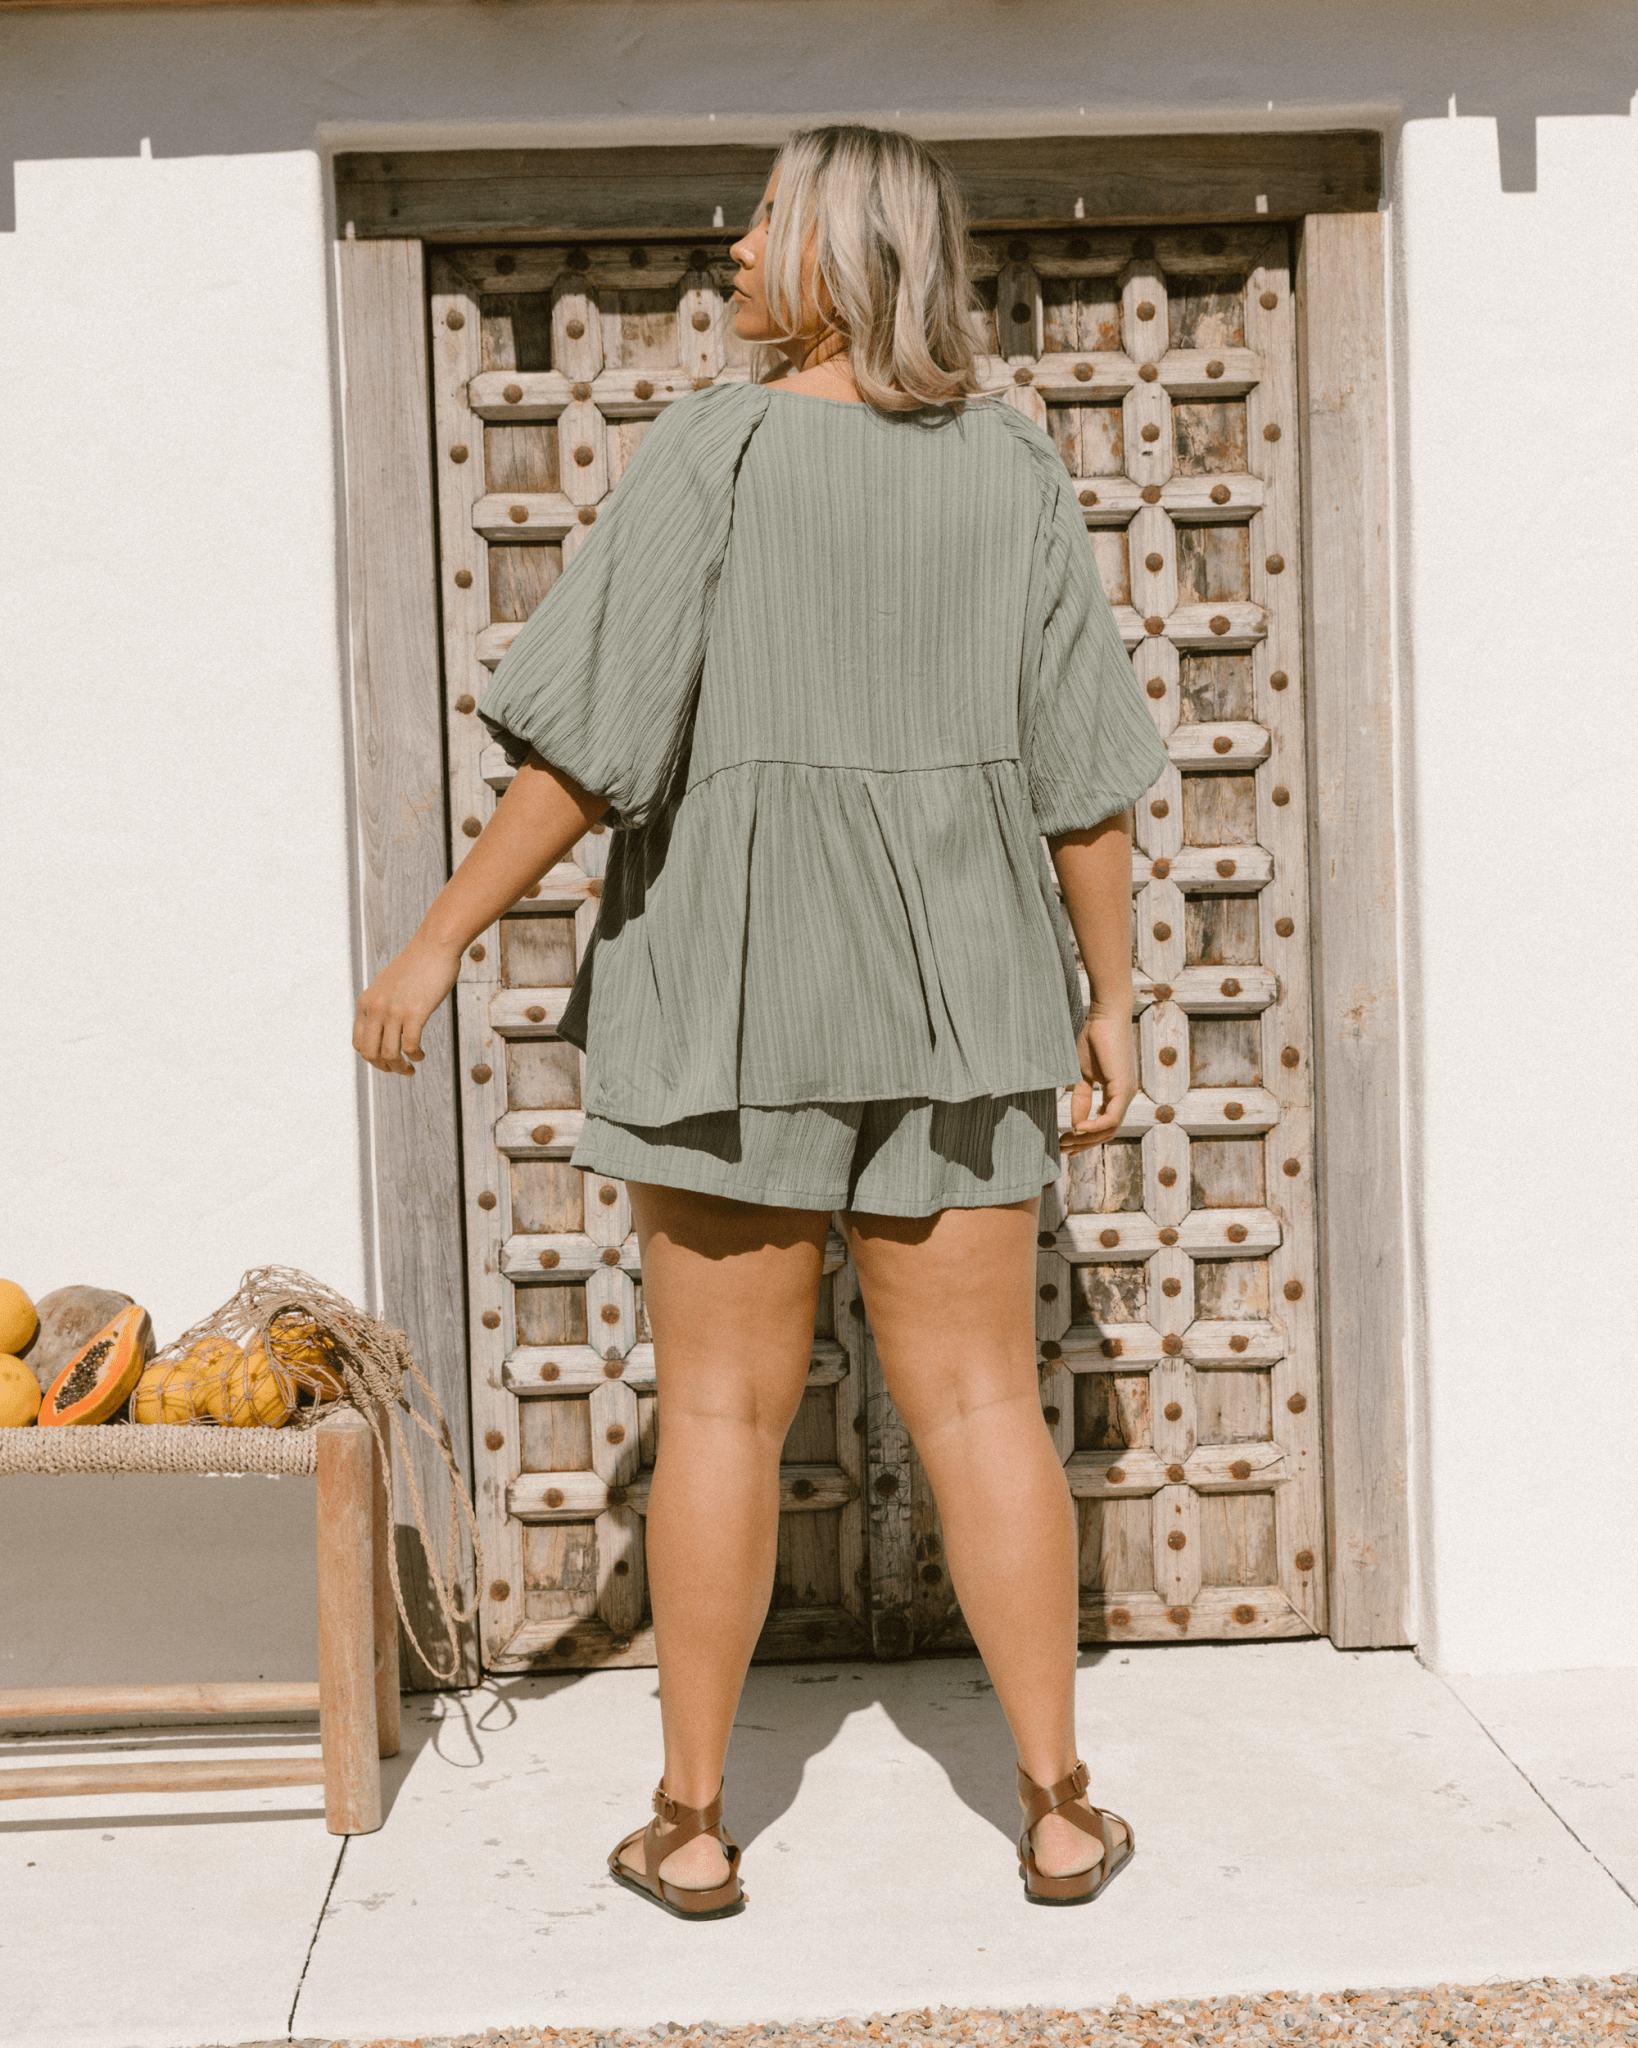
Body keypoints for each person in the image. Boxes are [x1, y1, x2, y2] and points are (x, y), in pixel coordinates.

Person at [353, 122, 1167, 1917]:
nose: (732, 245)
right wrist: (1111, 996)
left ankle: (695, 1823)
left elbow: (588, 750)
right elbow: (1084, 777)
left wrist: (433, 943)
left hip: (734, 980)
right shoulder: (1012, 467)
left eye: (767, 219)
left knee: (719, 1413)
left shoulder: (714, 448)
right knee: (986, 1404)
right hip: (965, 990)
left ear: (840, 254)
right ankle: (1055, 1811)